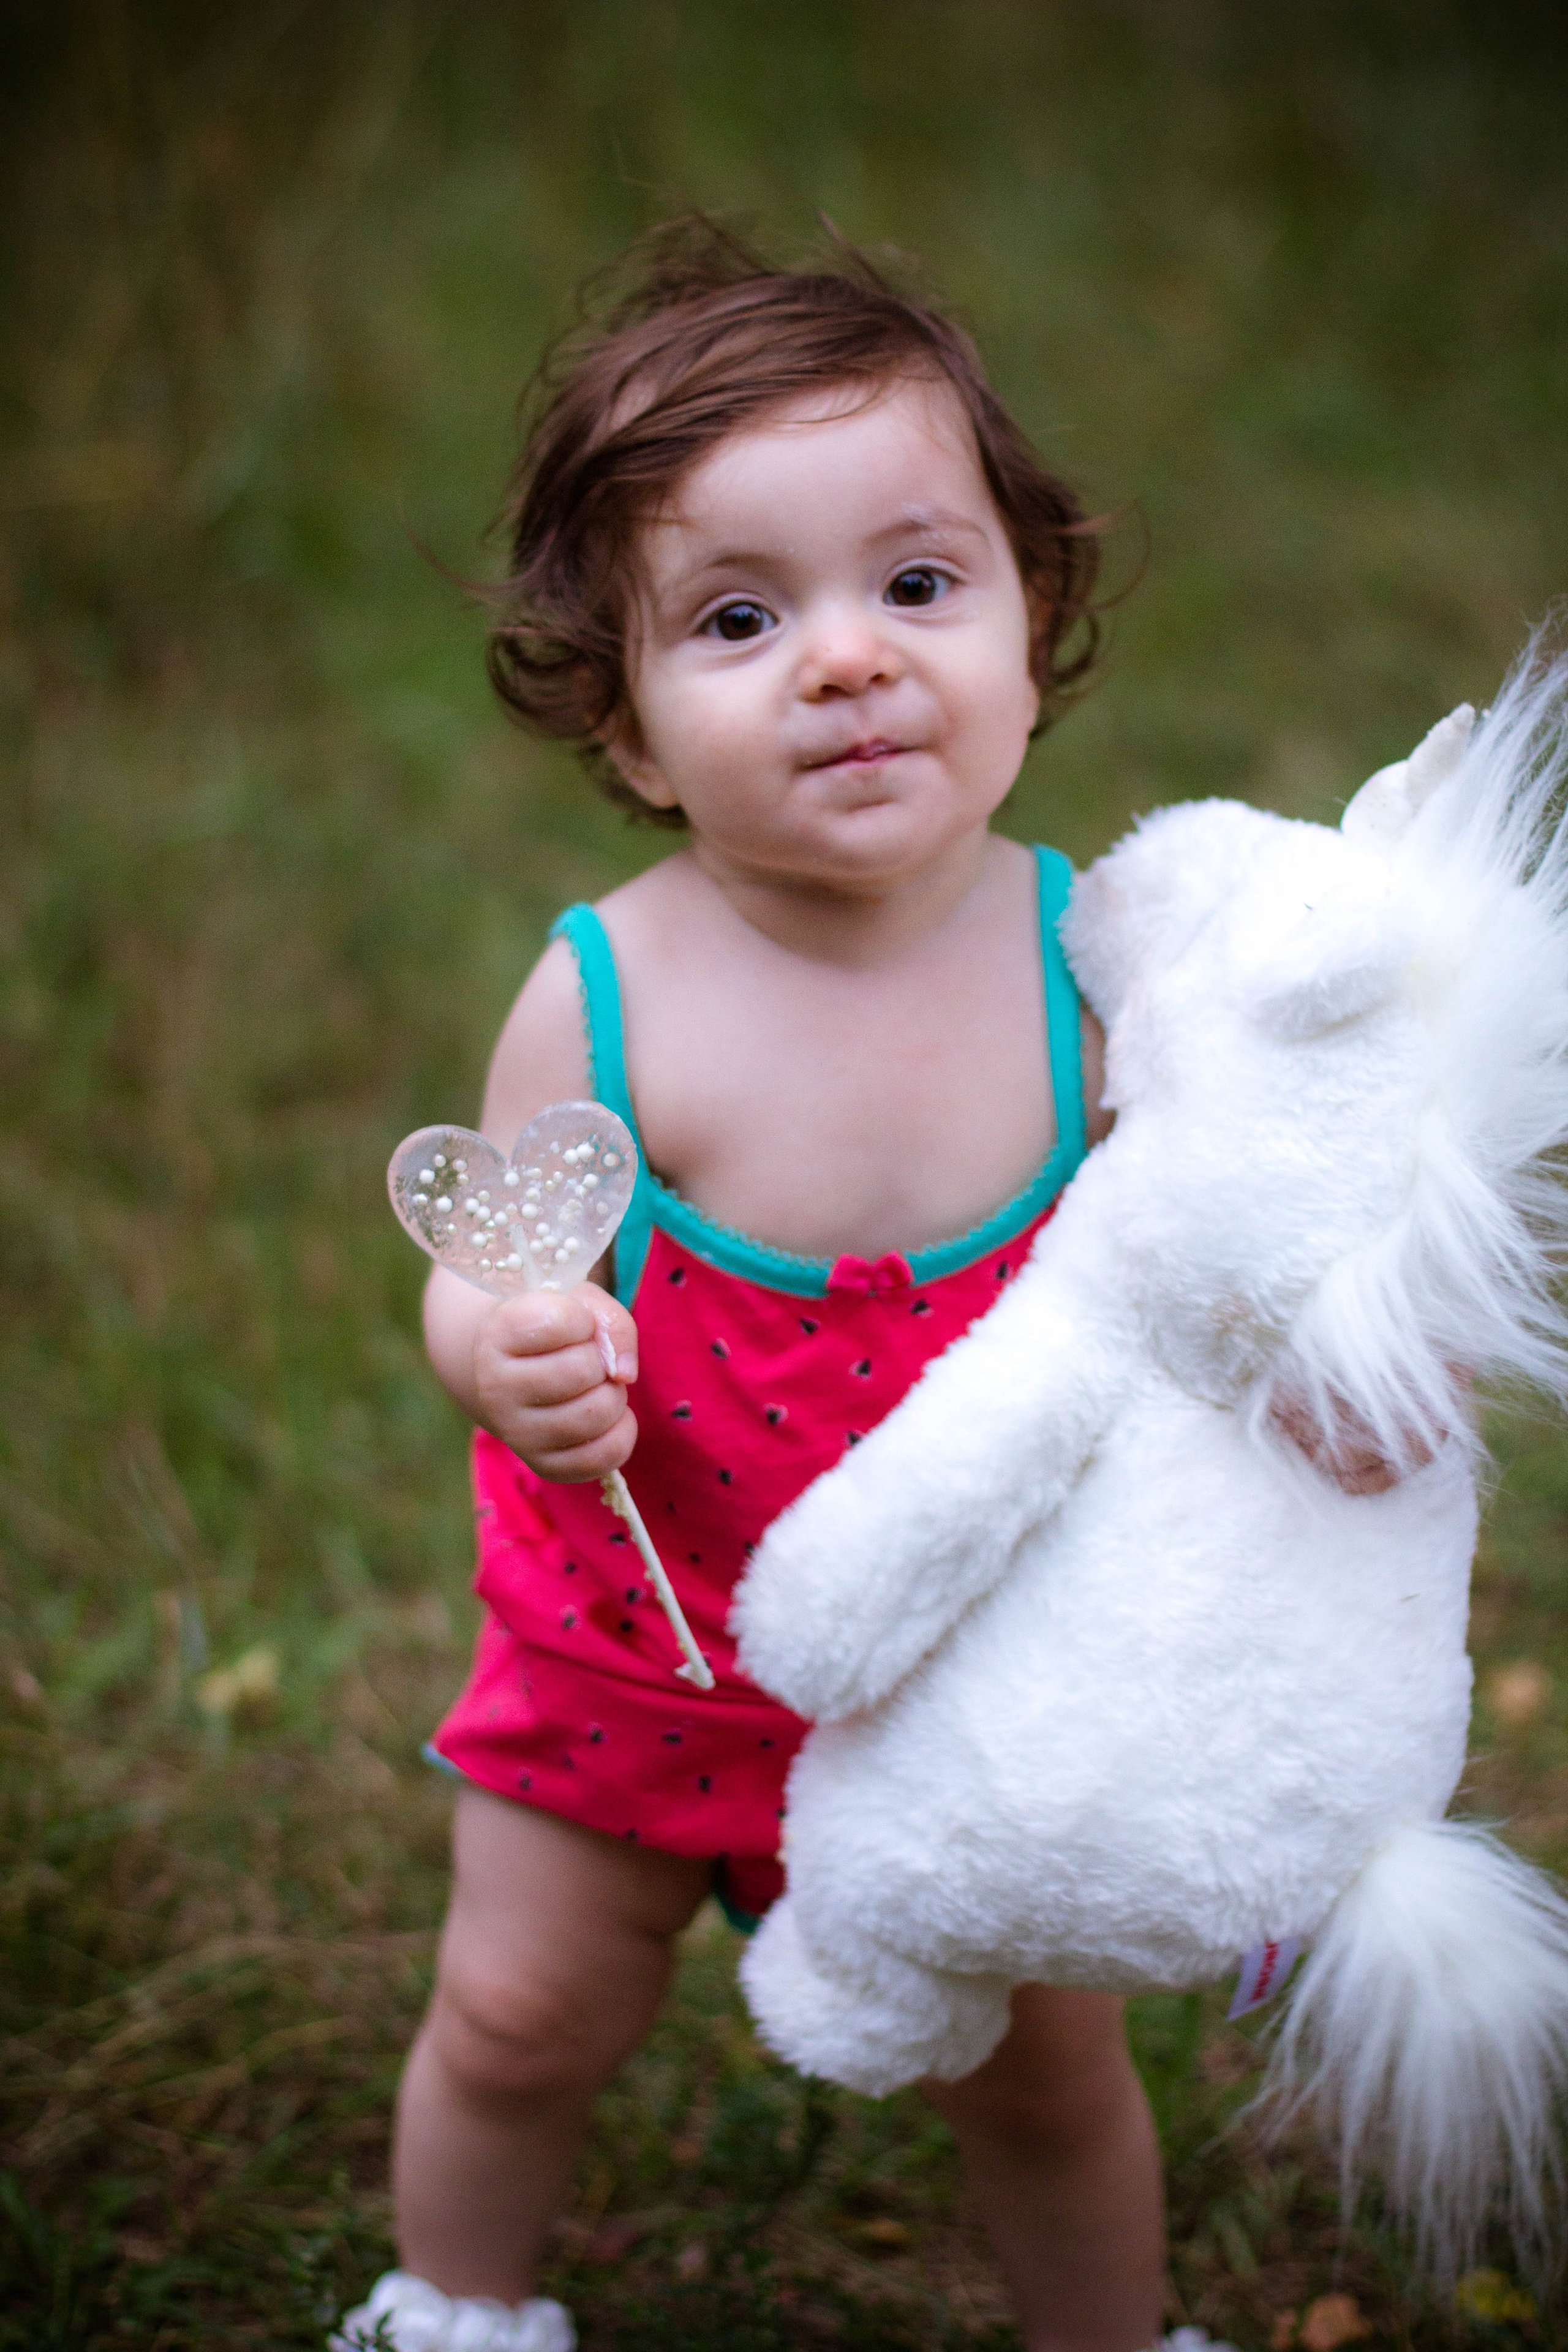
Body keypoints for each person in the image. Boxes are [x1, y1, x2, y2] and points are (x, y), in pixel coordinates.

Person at [336, 222, 1396, 2352]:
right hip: (628, 1644)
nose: (845, 656)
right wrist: (502, 1353)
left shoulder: (1087, 972)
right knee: (524, 2007)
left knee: (1046, 2071)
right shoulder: (611, 997)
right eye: (739, 616)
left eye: (917, 583)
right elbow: (487, 1270)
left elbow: (1208, 1261)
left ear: (1031, 629)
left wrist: (1317, 1379)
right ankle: (449, 2303)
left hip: (972, 1674)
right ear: (631, 732)